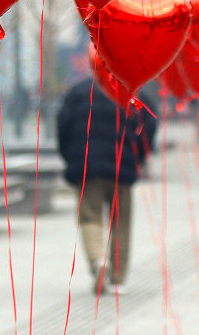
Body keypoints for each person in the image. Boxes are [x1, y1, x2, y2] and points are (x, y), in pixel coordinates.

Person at [56, 74, 158, 295]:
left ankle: (99, 262)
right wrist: (137, 158)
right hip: (123, 168)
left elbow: (63, 125)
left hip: (87, 168)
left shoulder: (79, 91)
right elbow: (149, 126)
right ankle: (118, 279)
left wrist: (71, 158)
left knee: (89, 217)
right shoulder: (133, 91)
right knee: (120, 221)